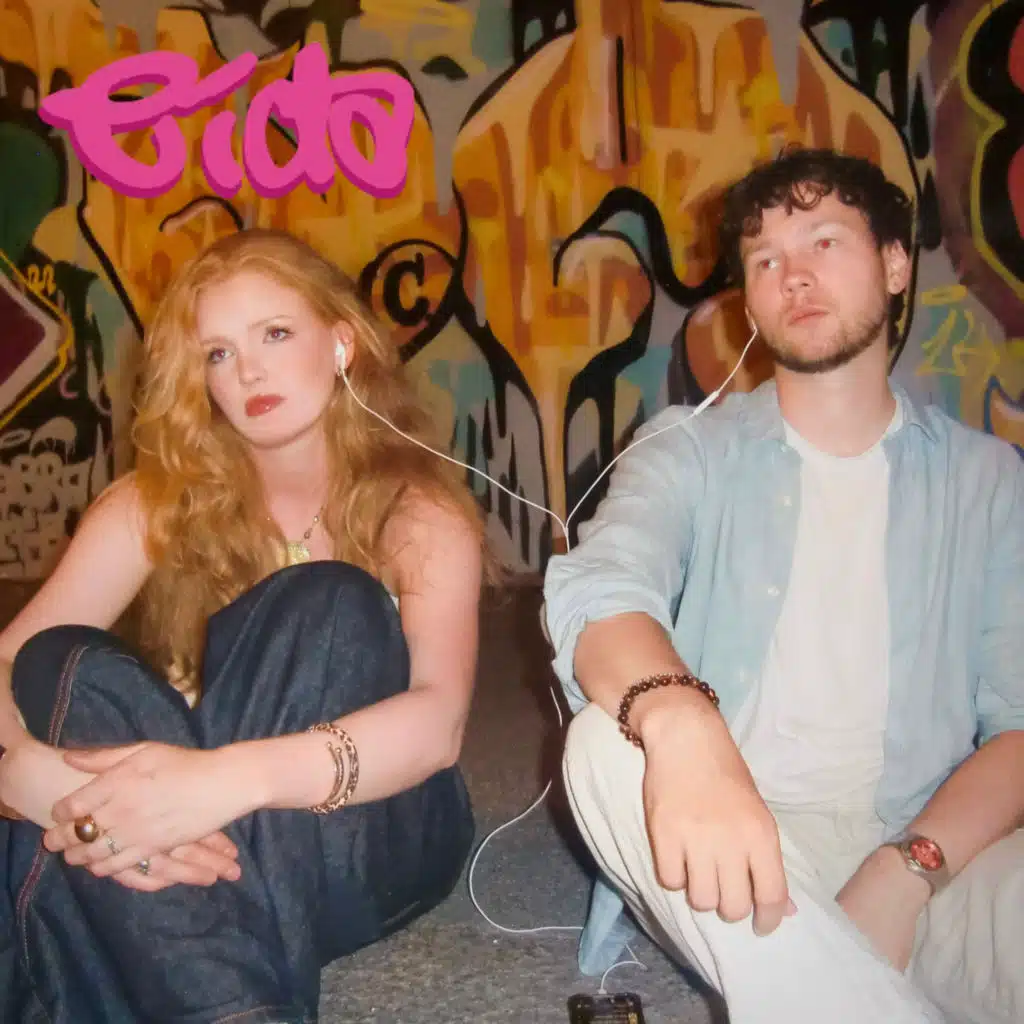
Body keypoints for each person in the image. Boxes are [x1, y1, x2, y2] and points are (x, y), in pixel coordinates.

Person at [544, 148, 1024, 1023]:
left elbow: (1020, 724)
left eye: (823, 243)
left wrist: (909, 867)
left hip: (930, 843)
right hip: (729, 836)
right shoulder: (687, 447)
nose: (792, 275)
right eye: (763, 259)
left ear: (895, 264)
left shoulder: (988, 479)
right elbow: (602, 588)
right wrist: (684, 722)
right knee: (603, 744)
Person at [0, 228, 484, 1023]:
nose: (248, 371)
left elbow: (440, 723)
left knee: (326, 602)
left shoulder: (416, 511)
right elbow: (11, 658)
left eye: (275, 334)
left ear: (341, 343)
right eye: (218, 353)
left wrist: (223, 782)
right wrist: (24, 771)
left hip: (370, 832)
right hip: (183, 841)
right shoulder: (152, 504)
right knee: (65, 663)